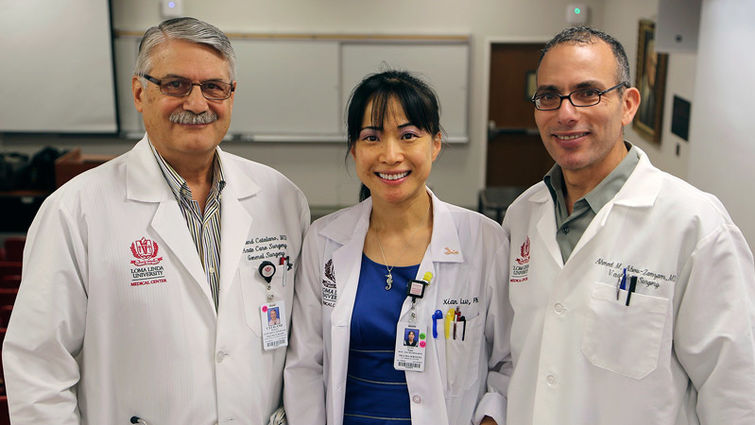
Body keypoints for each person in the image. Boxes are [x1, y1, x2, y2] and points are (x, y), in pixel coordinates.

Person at [1, 17, 309, 425]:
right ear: (139, 92)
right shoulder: (74, 211)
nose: (197, 104)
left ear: (231, 96)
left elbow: (306, 350)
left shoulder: (282, 198)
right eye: (176, 84)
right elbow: (38, 369)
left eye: (213, 87)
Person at [502, 26, 755, 425]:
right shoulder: (521, 215)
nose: (566, 113)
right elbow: (517, 355)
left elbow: (735, 392)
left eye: (588, 93)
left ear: (628, 104)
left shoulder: (695, 226)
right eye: (549, 96)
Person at [284, 70, 511, 425]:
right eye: (372, 138)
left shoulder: (484, 240)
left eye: (408, 136)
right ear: (354, 150)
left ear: (435, 144)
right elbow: (305, 366)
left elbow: (507, 361)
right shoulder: (324, 240)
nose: (390, 155)